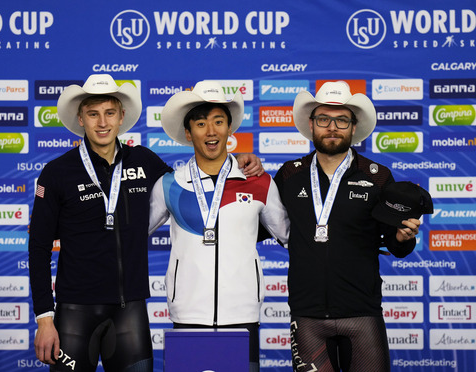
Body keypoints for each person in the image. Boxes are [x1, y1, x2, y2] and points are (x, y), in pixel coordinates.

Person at [28, 74, 265, 372]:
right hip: (74, 312)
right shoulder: (56, 172)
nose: (102, 123)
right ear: (81, 118)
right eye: (93, 114)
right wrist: (44, 318)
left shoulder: (144, 161)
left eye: (109, 113)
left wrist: (237, 161)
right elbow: (38, 247)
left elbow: (195, 181)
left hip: (131, 312)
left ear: (121, 116)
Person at [273, 81, 421, 372]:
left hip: (362, 313)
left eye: (341, 120)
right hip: (307, 316)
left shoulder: (378, 177)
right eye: (324, 119)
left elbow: (396, 243)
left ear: (354, 127)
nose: (332, 127)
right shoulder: (290, 175)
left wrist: (403, 238)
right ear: (311, 125)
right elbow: (261, 223)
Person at [149, 80, 290, 372]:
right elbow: (128, 234)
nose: (211, 131)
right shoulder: (169, 184)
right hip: (188, 314)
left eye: (218, 122)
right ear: (188, 133)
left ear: (229, 130)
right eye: (201, 123)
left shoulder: (259, 181)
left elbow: (291, 236)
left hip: (242, 314)